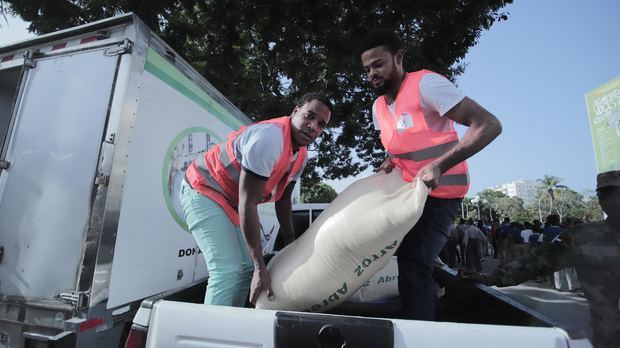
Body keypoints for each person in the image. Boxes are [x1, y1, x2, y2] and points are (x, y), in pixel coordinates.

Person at [359, 30, 502, 320]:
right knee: (412, 259)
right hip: (410, 193)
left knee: (414, 264)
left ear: (398, 57)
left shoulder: (427, 85)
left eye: (378, 64)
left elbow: (488, 125)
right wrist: (389, 162)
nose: (372, 73)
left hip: (442, 193)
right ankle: (450, 292)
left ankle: (419, 331)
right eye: (367, 69)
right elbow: (402, 143)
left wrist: (439, 165)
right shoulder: (377, 107)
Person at [180, 93, 332, 307]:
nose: (313, 126)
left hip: (231, 201)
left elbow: (284, 200)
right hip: (203, 188)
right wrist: (260, 266)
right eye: (309, 116)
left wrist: (290, 242)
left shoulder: (301, 155)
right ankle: (209, 334)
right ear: (295, 111)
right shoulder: (270, 139)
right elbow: (248, 202)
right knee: (227, 270)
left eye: (321, 124)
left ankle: (230, 327)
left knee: (245, 270)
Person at [461, 170, 620, 347]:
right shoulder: (582, 237)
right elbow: (535, 262)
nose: (613, 200)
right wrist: (489, 278)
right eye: (606, 194)